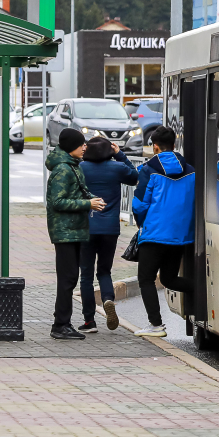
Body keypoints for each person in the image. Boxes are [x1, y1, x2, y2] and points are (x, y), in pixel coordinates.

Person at [131, 126, 195, 337]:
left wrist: (143, 224)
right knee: (169, 278)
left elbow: (139, 205)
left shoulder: (148, 170)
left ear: (155, 146)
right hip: (180, 236)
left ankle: (156, 325)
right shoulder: (191, 171)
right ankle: (201, 292)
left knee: (146, 279)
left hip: (154, 234)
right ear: (174, 145)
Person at [46, 128, 105, 340]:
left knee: (70, 278)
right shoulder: (63, 169)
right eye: (82, 145)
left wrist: (92, 200)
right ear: (72, 147)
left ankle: (62, 323)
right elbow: (57, 202)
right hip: (65, 232)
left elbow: (79, 191)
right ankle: (60, 325)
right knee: (68, 278)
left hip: (74, 230)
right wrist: (86, 203)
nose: (85, 147)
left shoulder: (73, 166)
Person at [78, 137, 139, 333]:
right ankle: (108, 300)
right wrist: (120, 154)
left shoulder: (81, 168)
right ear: (108, 152)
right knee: (104, 271)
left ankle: (89, 321)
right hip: (110, 229)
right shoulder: (116, 168)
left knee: (86, 275)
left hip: (86, 227)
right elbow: (135, 177)